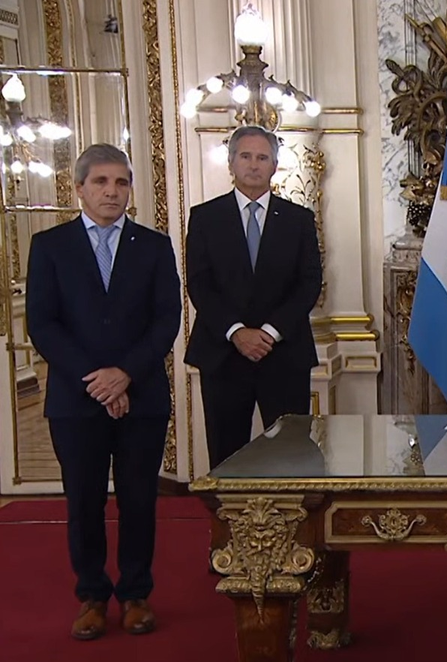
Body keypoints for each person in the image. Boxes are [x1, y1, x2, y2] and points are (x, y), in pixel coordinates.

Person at [26, 144, 181, 640]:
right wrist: (98, 379)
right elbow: (42, 324)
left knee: (139, 500)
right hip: (76, 401)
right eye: (100, 182)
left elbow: (167, 319)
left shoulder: (153, 246)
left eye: (121, 182)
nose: (112, 192)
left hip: (142, 397)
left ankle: (135, 594)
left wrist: (125, 375)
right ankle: (92, 596)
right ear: (79, 188)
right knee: (84, 502)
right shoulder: (50, 246)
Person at [184, 125, 322, 470]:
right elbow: (199, 284)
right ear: (231, 162)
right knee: (227, 457)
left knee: (291, 456)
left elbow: (309, 284)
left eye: (262, 157)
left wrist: (270, 332)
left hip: (284, 354)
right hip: (223, 355)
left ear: (274, 165)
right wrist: (237, 332)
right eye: (245, 156)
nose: (254, 164)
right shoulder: (204, 218)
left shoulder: (299, 220)